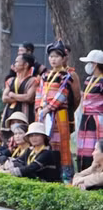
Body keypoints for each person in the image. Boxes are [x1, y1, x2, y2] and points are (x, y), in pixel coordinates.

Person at [35, 40, 79, 182]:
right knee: (48, 142)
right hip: (45, 114)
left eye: (56, 56)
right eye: (51, 56)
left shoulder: (66, 76)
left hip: (59, 114)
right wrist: (39, 107)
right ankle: (49, 171)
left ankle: (66, 174)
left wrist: (49, 108)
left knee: (62, 144)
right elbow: (39, 93)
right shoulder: (44, 75)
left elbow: (62, 94)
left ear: (63, 58)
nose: (53, 59)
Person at [77, 50, 103, 171]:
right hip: (85, 117)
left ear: (96, 64)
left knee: (95, 146)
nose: (88, 66)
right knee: (83, 147)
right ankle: (82, 170)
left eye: (90, 63)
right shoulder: (88, 80)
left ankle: (95, 171)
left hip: (97, 119)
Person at [1, 53, 38, 126]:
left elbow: (29, 98)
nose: (14, 64)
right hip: (10, 112)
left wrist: (13, 95)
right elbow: (4, 98)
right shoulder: (11, 80)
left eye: (17, 62)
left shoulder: (33, 80)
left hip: (26, 113)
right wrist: (21, 98)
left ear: (26, 65)